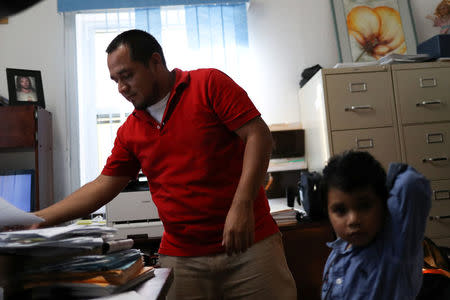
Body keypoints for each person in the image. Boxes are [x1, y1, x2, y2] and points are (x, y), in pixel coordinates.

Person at [30, 29, 297, 299]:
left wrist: (241, 206)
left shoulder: (208, 84)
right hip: (182, 257)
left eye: (127, 76)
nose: (121, 88)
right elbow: (103, 185)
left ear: (155, 63)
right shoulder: (130, 131)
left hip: (250, 245)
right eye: (115, 80)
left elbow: (258, 136)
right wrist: (37, 220)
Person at [320, 150, 432, 300]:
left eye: (364, 206)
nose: (353, 219)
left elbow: (411, 183)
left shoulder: (395, 246)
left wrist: (384, 186)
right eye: (340, 210)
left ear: (384, 205)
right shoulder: (337, 254)